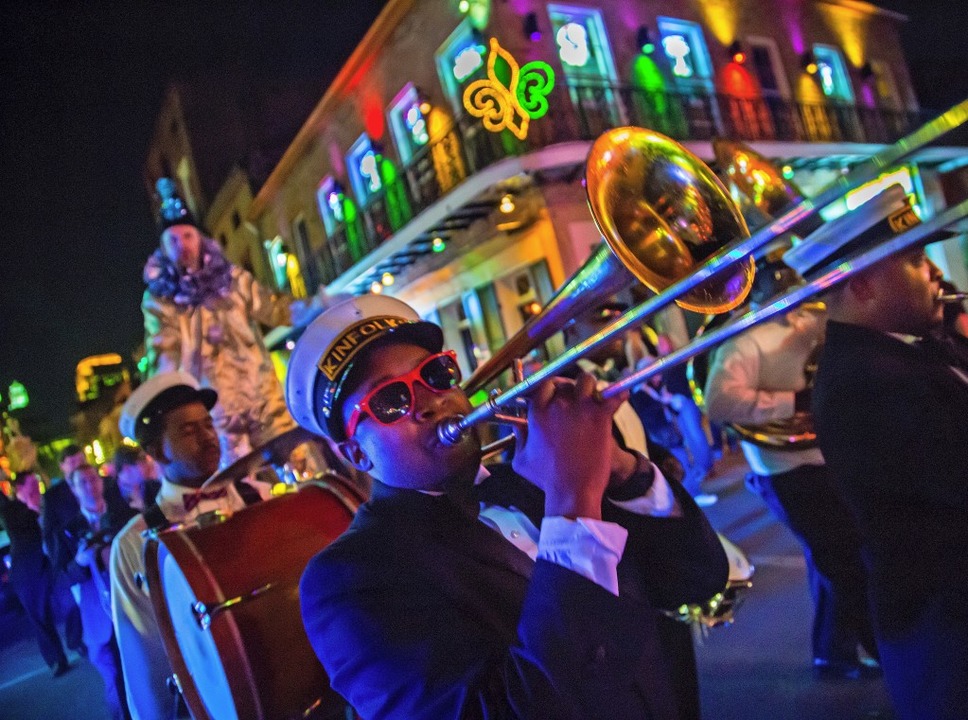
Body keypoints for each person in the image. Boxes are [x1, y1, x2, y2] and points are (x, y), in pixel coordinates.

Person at [287, 295, 728, 720]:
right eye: (390, 400)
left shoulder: (536, 478)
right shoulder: (347, 580)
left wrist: (620, 469)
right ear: (356, 455)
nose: (429, 401)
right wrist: (573, 500)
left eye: (436, 374)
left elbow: (696, 577)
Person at [799, 192, 968, 718]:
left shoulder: (897, 351)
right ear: (864, 285)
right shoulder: (869, 377)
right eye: (917, 261)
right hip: (948, 624)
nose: (935, 274)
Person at [704, 258, 878, 679]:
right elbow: (718, 402)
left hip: (825, 452)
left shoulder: (815, 321)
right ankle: (870, 646)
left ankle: (836, 651)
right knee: (840, 559)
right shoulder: (743, 342)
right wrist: (793, 403)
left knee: (838, 556)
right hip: (783, 467)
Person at [141, 178, 321, 463]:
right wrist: (163, 392)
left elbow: (274, 308)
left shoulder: (232, 279)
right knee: (243, 486)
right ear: (163, 248)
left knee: (298, 464)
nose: (182, 246)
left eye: (188, 236)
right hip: (215, 413)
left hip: (264, 398)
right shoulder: (160, 300)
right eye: (173, 240)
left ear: (200, 240)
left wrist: (319, 307)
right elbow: (163, 351)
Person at [110, 371, 247, 720]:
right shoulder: (133, 544)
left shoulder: (258, 496)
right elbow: (145, 660)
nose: (208, 438)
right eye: (188, 430)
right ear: (157, 450)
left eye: (208, 425)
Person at [55, 463, 136, 720]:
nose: (90, 486)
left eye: (93, 479)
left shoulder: (124, 515)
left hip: (131, 609)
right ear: (74, 489)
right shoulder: (67, 531)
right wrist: (79, 562)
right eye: (83, 483)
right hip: (96, 621)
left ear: (101, 481)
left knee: (142, 677)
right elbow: (60, 581)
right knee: (114, 684)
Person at [0, 470, 71, 677]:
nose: (35, 488)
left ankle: (78, 641)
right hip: (27, 571)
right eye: (30, 485)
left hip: (51, 563)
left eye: (36, 484)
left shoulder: (46, 503)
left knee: (67, 602)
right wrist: (33, 506)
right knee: (39, 617)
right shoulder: (11, 510)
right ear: (19, 488)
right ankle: (56, 660)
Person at [40, 443, 89, 656]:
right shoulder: (53, 496)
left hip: (94, 548)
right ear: (63, 467)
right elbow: (49, 533)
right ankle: (78, 640)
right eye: (73, 464)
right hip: (70, 556)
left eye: (81, 461)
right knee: (75, 604)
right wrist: (59, 562)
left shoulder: (95, 481)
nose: (78, 467)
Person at [112, 446, 161, 512]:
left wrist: (143, 507)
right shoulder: (114, 496)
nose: (147, 466)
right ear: (127, 468)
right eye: (142, 464)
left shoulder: (151, 484)